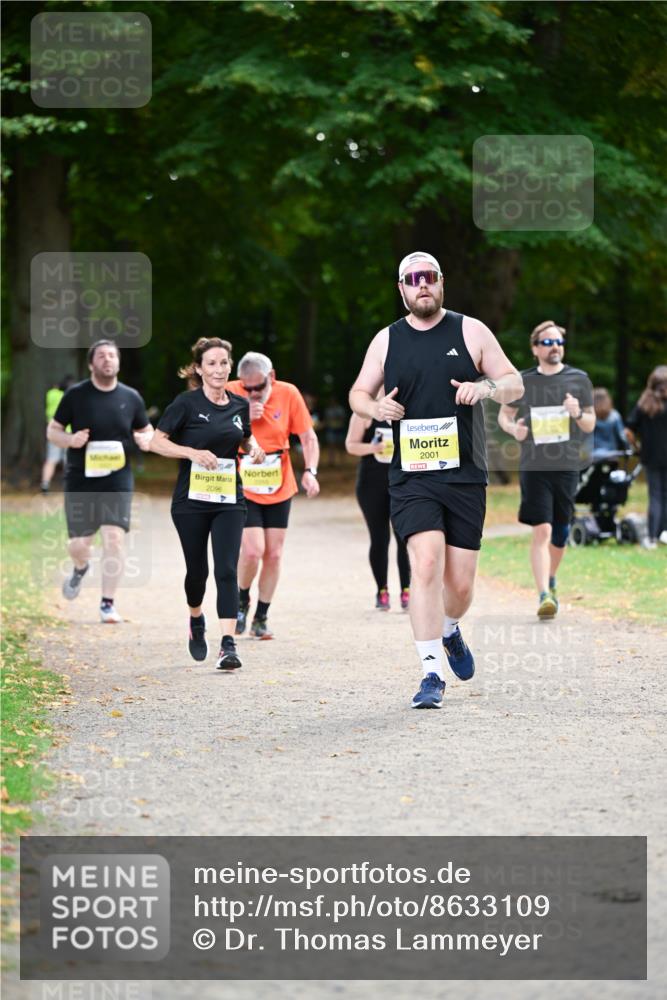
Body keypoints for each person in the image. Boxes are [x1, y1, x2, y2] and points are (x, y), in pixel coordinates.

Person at [349, 251, 523, 709]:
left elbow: (514, 382)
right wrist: (375, 407)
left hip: (464, 475)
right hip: (412, 476)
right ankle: (431, 673)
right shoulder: (386, 341)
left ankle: (449, 628)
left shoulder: (471, 331)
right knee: (425, 564)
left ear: (441, 282)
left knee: (460, 585)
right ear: (401, 288)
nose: (421, 284)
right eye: (412, 278)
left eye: (429, 276)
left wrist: (484, 387)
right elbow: (357, 394)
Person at [151, 338, 265, 669]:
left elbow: (244, 438)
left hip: (228, 497)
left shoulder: (240, 404)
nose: (218, 369)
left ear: (230, 366)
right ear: (199, 369)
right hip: (191, 501)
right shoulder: (185, 404)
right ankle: (195, 617)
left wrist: (254, 448)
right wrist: (192, 453)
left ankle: (228, 645)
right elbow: (157, 442)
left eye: (223, 362)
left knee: (226, 568)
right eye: (211, 363)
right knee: (197, 572)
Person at [47, 341, 153, 623]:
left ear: (118, 362)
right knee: (78, 545)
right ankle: (80, 567)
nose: (108, 360)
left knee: (114, 538)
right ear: (91, 364)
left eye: (112, 355)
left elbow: (146, 429)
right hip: (81, 479)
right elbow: (53, 431)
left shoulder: (131, 397)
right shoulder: (75, 395)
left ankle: (107, 603)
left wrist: (145, 439)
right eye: (102, 356)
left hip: (117, 477)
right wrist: (71, 439)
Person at [498, 321, 595, 617]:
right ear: (535, 348)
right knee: (542, 529)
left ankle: (551, 579)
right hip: (534, 465)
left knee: (561, 532)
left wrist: (577, 413)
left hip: (566, 465)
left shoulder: (579, 379)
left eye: (558, 342)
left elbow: (590, 424)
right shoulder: (524, 381)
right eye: (548, 342)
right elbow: (504, 416)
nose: (555, 347)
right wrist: (514, 430)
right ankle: (543, 595)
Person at [226, 352, 320, 639]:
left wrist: (311, 471)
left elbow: (308, 437)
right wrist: (242, 417)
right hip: (242, 482)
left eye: (259, 387)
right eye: (248, 388)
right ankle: (241, 600)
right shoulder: (230, 392)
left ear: (272, 377)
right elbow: (210, 433)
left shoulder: (288, 393)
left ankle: (261, 617)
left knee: (274, 553)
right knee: (252, 551)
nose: (253, 393)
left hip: (278, 482)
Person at [345, 407, 411, 611]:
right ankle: (382, 590)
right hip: (372, 485)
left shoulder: (407, 408)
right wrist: (373, 448)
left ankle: (407, 590)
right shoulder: (364, 412)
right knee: (380, 538)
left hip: (403, 484)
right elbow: (351, 445)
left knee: (405, 538)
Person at [625, 365, 667, 549]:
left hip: (650, 455)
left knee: (655, 495)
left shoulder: (644, 403)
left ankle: (652, 536)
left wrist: (637, 446)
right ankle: (664, 532)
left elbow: (628, 431)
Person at [41, 374, 75, 493]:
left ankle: (45, 484)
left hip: (53, 432)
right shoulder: (70, 396)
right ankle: (68, 484)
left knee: (51, 459)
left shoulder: (51, 394)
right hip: (69, 433)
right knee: (68, 460)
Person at [592, 387, 628, 460]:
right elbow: (622, 436)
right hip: (612, 453)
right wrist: (628, 448)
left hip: (594, 454)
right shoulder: (614, 415)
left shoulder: (590, 416)